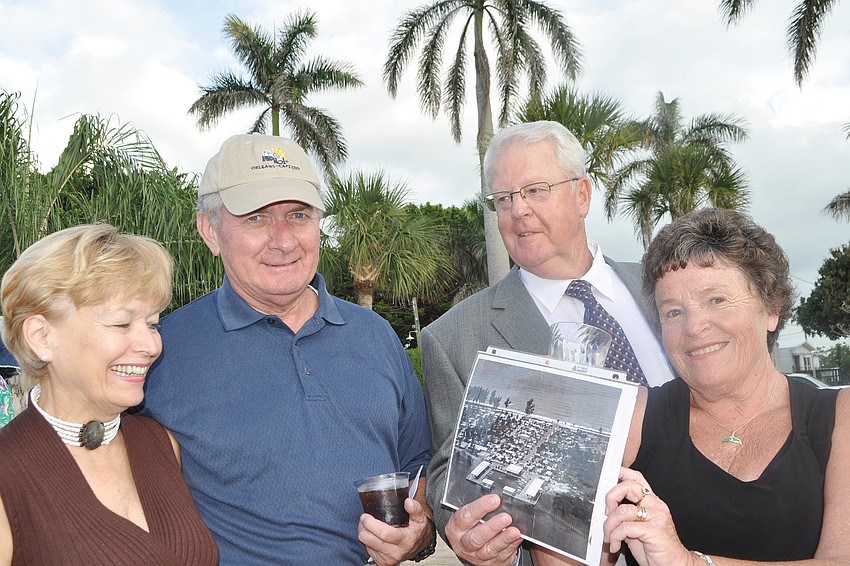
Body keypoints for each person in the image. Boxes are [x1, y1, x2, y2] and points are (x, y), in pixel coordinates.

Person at [139, 133, 436, 565]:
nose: (283, 240)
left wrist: (418, 532)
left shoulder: (375, 335)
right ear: (211, 232)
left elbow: (417, 464)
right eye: (256, 218)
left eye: (298, 215)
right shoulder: (161, 350)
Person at [532, 207, 850, 565]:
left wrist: (687, 562)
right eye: (673, 312)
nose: (694, 327)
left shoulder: (839, 417)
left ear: (772, 309)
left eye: (716, 300)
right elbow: (567, 552)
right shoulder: (632, 418)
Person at [421, 120, 676, 564]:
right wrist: (470, 535)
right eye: (504, 199)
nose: (518, 210)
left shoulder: (664, 287)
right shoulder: (452, 337)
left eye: (536, 190)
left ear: (582, 195)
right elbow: (447, 473)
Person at [0, 224, 218, 565]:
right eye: (121, 324)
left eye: (152, 323)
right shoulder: (9, 472)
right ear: (41, 337)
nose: (151, 345)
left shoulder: (161, 442)